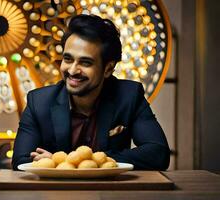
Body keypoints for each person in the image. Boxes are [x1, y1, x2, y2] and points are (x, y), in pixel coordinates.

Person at [12, 14, 170, 170]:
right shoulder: (39, 102)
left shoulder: (129, 96)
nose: (73, 70)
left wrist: (70, 161)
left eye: (85, 62)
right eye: (68, 59)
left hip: (111, 193)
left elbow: (158, 154)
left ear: (108, 68)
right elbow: (20, 160)